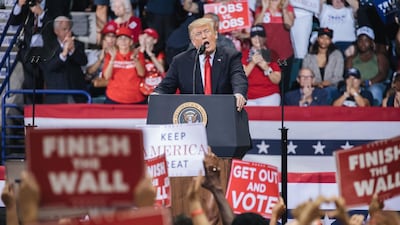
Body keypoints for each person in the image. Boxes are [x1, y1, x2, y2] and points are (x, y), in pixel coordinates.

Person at [154, 17, 248, 112]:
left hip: (223, 111)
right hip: (193, 114)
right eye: (198, 34)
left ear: (215, 35)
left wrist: (239, 93)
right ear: (193, 42)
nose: (204, 36)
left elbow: (238, 77)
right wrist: (156, 95)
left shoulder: (230, 56)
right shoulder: (180, 61)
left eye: (207, 31)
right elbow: (166, 86)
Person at [41, 16, 88, 104]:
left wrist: (72, 50)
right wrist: (64, 54)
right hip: (56, 95)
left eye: (69, 29)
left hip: (76, 94)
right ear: (56, 31)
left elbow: (84, 61)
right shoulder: (47, 47)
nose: (68, 32)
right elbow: (48, 67)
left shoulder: (78, 45)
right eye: (65, 29)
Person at [254, 0, 295, 93]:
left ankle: (282, 105)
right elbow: (256, 26)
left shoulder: (288, 8)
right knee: (268, 81)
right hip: (267, 53)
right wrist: (264, 9)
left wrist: (284, 9)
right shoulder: (260, 8)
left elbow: (289, 25)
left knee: (283, 84)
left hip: (284, 54)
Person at [345, 26, 390, 106]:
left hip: (375, 84)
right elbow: (348, 75)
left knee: (374, 90)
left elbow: (383, 74)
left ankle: (375, 114)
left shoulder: (379, 57)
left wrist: (368, 82)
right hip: (356, 85)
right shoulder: (351, 59)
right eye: (360, 40)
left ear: (372, 42)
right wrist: (356, 84)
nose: (363, 43)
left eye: (366, 40)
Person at [102, 27, 146, 104]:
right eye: (120, 38)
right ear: (117, 42)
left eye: (126, 38)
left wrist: (135, 59)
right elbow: (106, 76)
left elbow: (142, 73)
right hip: (114, 97)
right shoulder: (110, 55)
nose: (123, 41)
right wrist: (112, 59)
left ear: (131, 42)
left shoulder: (138, 54)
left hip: (135, 98)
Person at [242, 24, 281, 106]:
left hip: (269, 95)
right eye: (254, 37)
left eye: (260, 36)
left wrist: (266, 68)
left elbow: (277, 80)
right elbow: (241, 77)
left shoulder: (272, 54)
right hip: (249, 97)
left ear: (265, 38)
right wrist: (252, 63)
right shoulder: (244, 55)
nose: (257, 39)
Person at [302, 27, 343, 104]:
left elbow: (338, 77)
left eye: (327, 38)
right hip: (312, 87)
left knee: (325, 93)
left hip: (331, 88)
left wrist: (327, 83)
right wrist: (317, 84)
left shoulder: (337, 55)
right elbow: (304, 75)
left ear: (331, 40)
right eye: (322, 37)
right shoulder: (309, 56)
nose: (324, 41)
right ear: (317, 39)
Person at [138, 28, 166, 95]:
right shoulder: (137, 52)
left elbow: (161, 69)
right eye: (143, 36)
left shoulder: (159, 53)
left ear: (155, 40)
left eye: (148, 37)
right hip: (142, 89)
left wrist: (150, 53)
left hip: (157, 88)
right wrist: (141, 50)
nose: (145, 39)